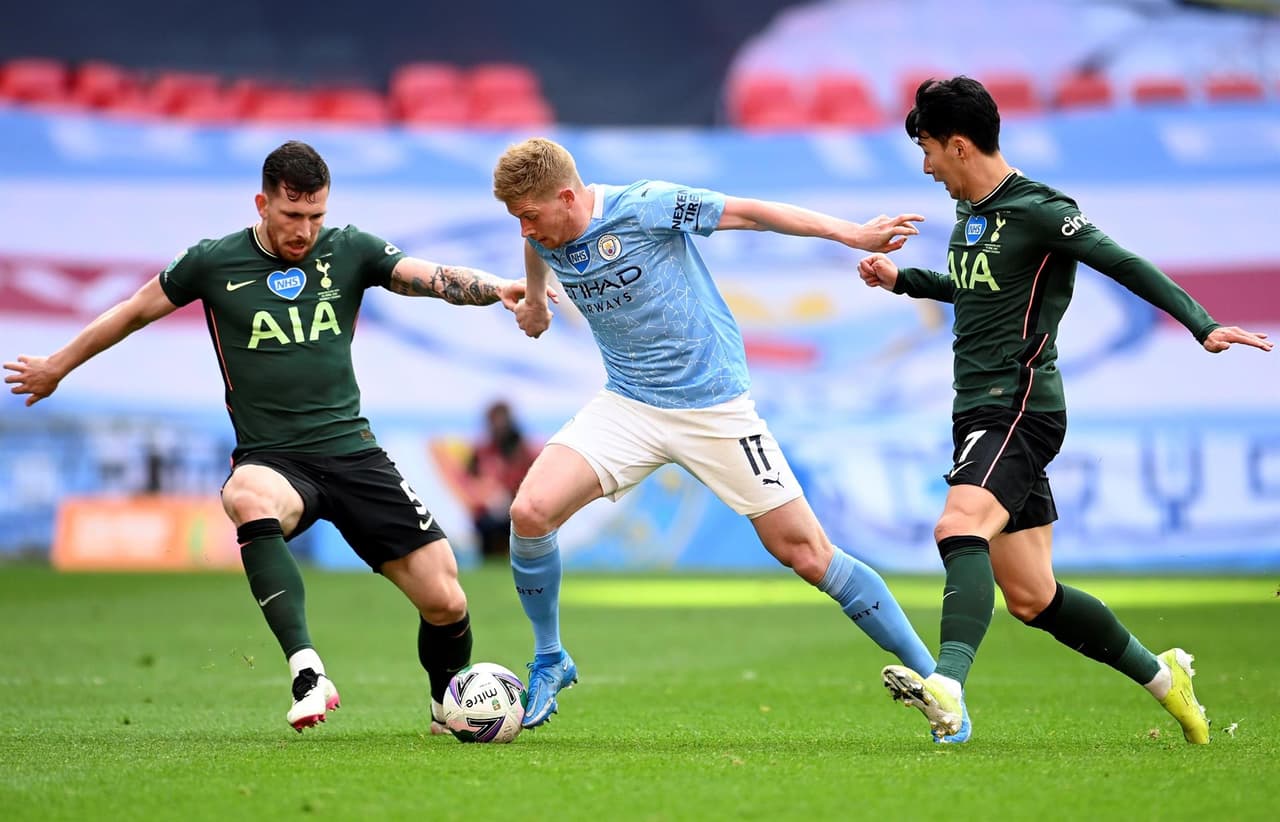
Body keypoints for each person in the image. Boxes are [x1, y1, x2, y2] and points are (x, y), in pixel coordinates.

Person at [4, 140, 548, 734]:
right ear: (262, 203)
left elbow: (427, 276)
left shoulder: (350, 249)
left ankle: (449, 704)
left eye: (316, 216)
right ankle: (307, 669)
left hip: (354, 453)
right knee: (246, 496)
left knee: (446, 599)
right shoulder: (213, 262)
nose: (306, 230)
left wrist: (494, 287)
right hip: (276, 459)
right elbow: (134, 310)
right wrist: (59, 364)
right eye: (292, 216)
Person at [858, 76, 1273, 744]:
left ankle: (947, 686)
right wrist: (903, 280)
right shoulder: (972, 213)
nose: (927, 166)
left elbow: (1123, 262)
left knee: (958, 526)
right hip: (979, 411)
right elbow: (975, 290)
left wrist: (1202, 324)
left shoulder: (1043, 209)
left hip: (1020, 407)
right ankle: (1167, 678)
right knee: (1032, 596)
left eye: (930, 150)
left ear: (960, 145)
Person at [491, 136, 940, 731]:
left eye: (529, 217)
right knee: (530, 511)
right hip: (628, 404)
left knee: (806, 554)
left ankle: (937, 682)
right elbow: (541, 252)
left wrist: (852, 235)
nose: (525, 231)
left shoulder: (646, 205)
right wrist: (541, 305)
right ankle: (551, 657)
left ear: (568, 197)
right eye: (516, 220)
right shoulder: (544, 231)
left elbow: (752, 213)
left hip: (714, 410)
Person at [464, 400, 538, 560]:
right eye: (494, 420)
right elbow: (470, 479)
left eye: (502, 419)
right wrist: (485, 494)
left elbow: (536, 481)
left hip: (519, 506)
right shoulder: (482, 450)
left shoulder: (525, 450)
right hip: (488, 511)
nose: (498, 425)